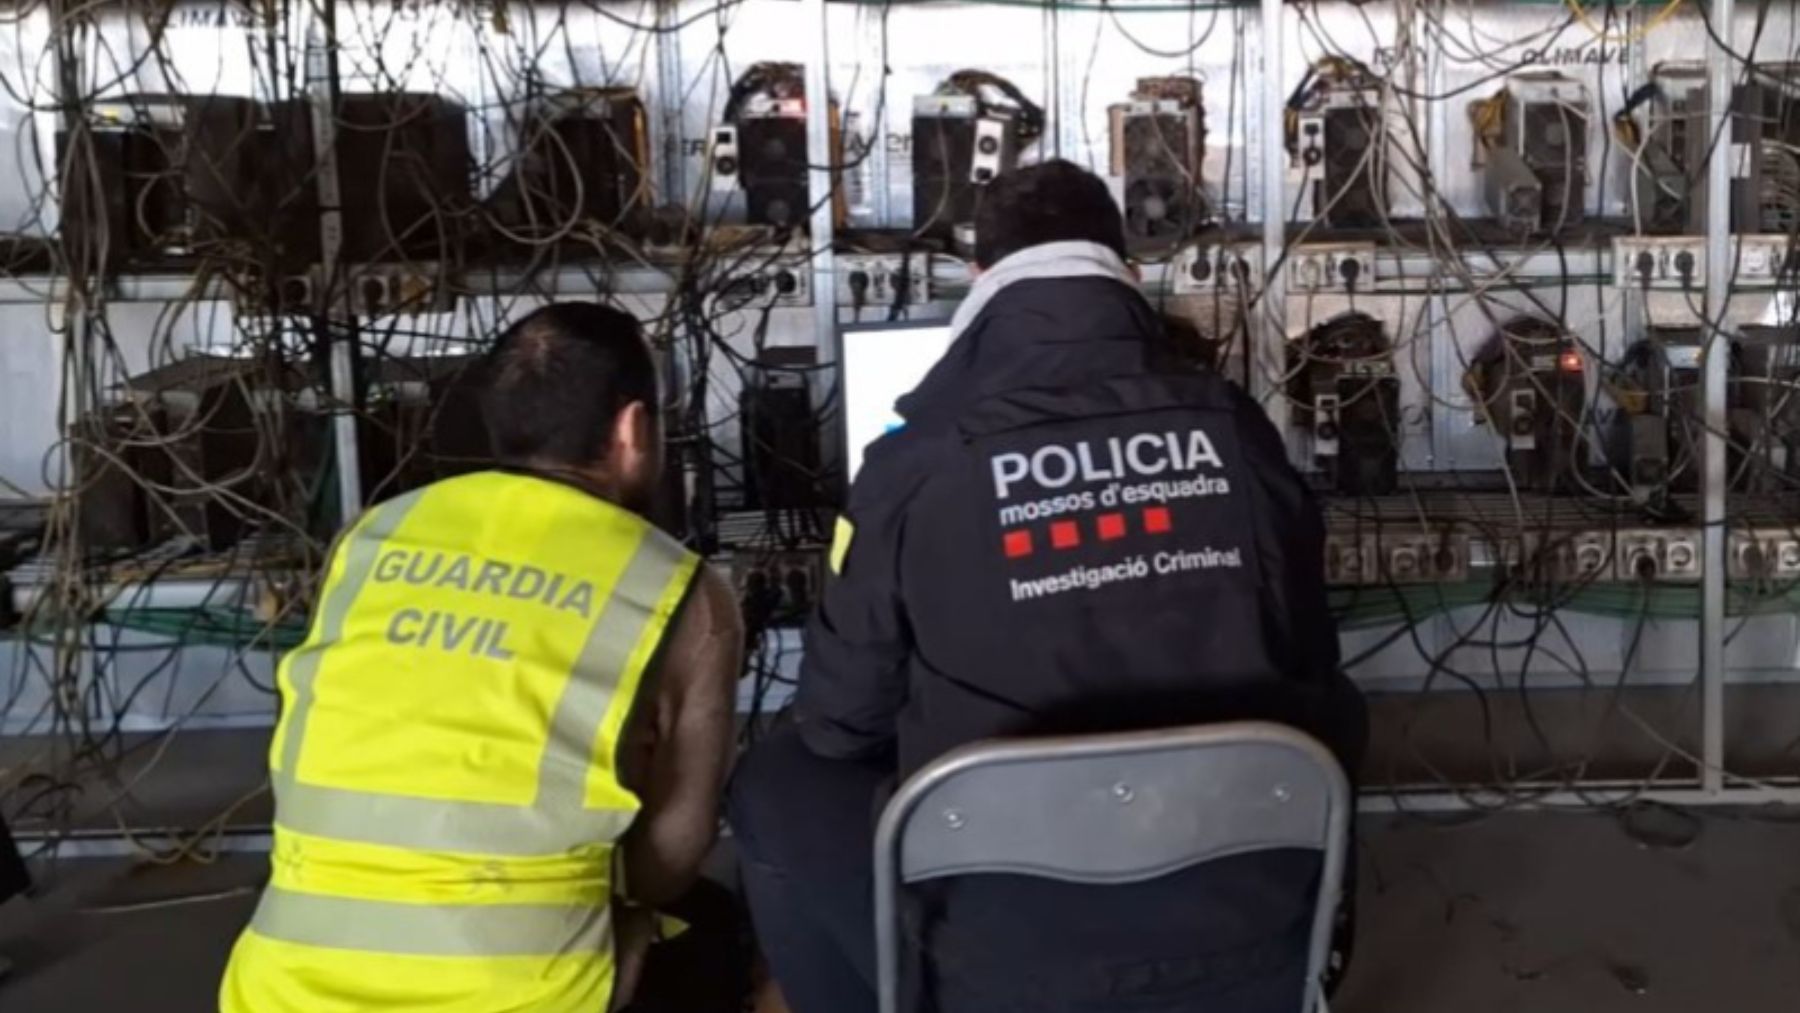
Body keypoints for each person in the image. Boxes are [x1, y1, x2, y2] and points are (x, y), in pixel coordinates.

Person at [728, 161, 1367, 1013]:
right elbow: (1308, 661)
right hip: (1247, 920)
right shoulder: (1238, 432)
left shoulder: (911, 463)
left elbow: (841, 722)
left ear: (979, 280)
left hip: (1003, 947)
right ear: (1129, 276)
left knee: (778, 779)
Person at [220, 303, 743, 1013]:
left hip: (285, 986)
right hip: (524, 993)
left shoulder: (372, 536)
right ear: (631, 430)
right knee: (737, 933)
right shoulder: (679, 587)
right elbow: (669, 863)